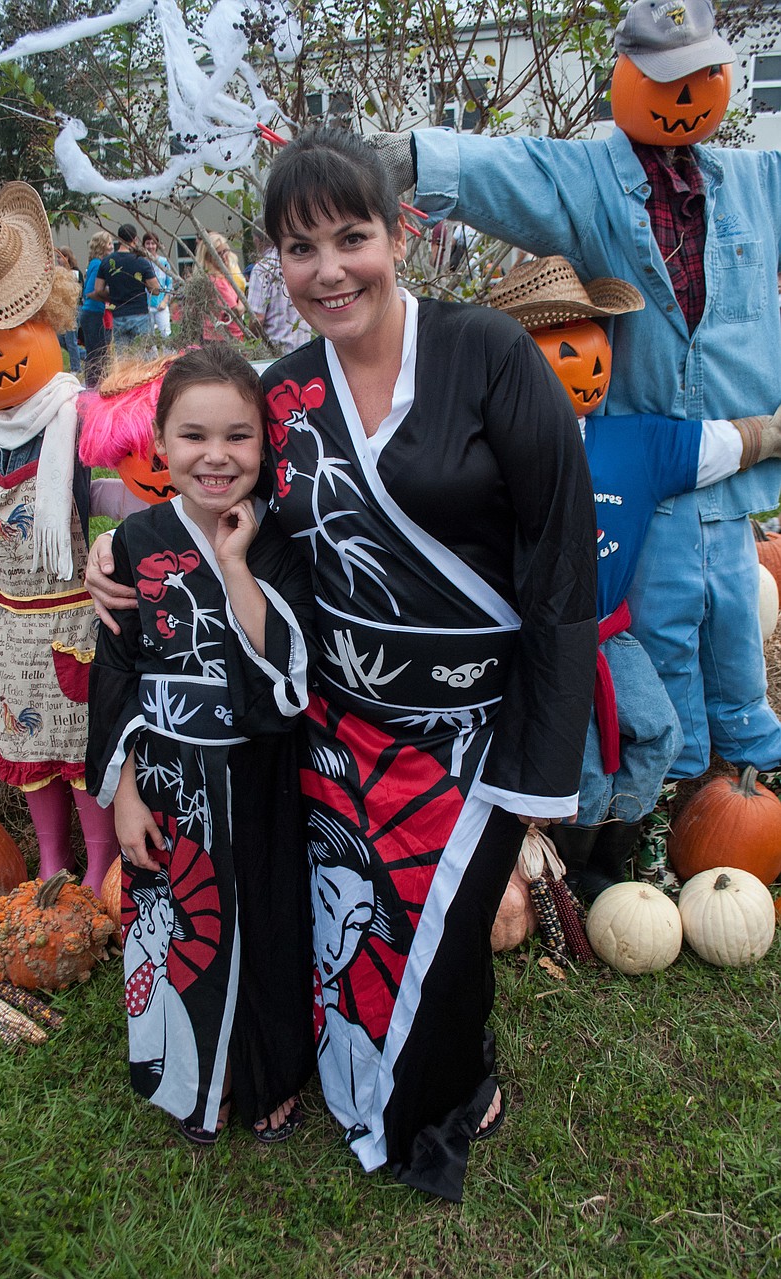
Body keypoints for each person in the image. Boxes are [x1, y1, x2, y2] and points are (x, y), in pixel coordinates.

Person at [86, 128, 598, 1201]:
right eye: (299, 248)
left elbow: (558, 564)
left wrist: (538, 768)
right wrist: (123, 546)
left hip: (470, 730)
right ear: (274, 262)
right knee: (356, 934)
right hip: (337, 722)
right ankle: (364, 1064)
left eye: (350, 237)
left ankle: (453, 1082)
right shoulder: (282, 394)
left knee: (446, 947)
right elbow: (216, 495)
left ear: (398, 233)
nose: (328, 270)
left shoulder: (488, 354)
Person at [371, 0, 781, 782]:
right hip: (648, 472)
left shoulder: (760, 183)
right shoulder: (587, 180)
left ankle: (755, 762)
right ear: (627, 76)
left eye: (702, 76)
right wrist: (416, 156)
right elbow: (512, 168)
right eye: (668, 78)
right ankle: (682, 783)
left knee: (734, 624)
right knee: (661, 632)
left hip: (733, 457)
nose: (688, 93)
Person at [491, 256, 781, 897]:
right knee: (582, 756)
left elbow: (722, 443)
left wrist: (773, 432)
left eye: (598, 345)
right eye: (565, 348)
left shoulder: (636, 443)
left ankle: (615, 849)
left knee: (658, 728)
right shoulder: (496, 446)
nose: (589, 365)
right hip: (535, 641)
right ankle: (574, 870)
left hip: (607, 632)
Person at [85, 343, 316, 1144]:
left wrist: (233, 561)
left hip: (257, 774)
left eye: (238, 436)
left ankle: (269, 1072)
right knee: (182, 927)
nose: (216, 456)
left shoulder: (277, 538)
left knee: (267, 921)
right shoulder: (134, 543)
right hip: (169, 780)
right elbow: (114, 673)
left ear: (264, 442)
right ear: (158, 441)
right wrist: (122, 797)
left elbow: (291, 672)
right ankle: (194, 1074)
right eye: (193, 436)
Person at [0, 182, 119, 892]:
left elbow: (134, 473)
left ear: (47, 323)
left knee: (78, 750)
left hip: (73, 615)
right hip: (10, 624)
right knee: (27, 745)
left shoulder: (77, 417)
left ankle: (99, 859)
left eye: (6, 338)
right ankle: (51, 858)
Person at [246, 229, 312, 354]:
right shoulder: (298, 260)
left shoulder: (261, 269)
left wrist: (251, 340)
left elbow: (257, 318)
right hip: (304, 347)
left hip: (276, 351)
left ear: (257, 240)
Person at [94, 223, 159, 349]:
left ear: (118, 239)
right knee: (146, 355)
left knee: (123, 359)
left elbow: (98, 289)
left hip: (119, 315)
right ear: (135, 239)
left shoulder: (107, 262)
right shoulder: (141, 262)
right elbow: (155, 289)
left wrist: (112, 296)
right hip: (140, 314)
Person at [193, 232, 245, 342]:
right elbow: (237, 310)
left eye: (225, 251)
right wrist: (242, 301)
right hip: (223, 338)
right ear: (208, 257)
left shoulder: (223, 277)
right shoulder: (216, 281)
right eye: (219, 254)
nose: (224, 257)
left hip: (224, 336)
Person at [80, 230, 114, 387]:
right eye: (109, 243)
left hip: (94, 312)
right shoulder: (97, 264)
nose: (112, 246)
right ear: (101, 246)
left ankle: (96, 383)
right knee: (96, 353)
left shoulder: (96, 263)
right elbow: (90, 292)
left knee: (98, 351)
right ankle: (94, 386)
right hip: (92, 314)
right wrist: (109, 298)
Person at [55, 246, 83, 374]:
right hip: (62, 310)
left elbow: (77, 291)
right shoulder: (58, 273)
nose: (58, 260)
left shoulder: (75, 272)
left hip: (73, 309)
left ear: (67, 257)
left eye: (60, 257)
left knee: (71, 340)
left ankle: (76, 367)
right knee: (61, 339)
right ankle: (85, 355)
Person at [141, 231, 173, 340]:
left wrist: (165, 301)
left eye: (153, 243)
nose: (150, 246)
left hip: (161, 305)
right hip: (145, 306)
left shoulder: (163, 262)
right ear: (143, 245)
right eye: (148, 243)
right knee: (148, 338)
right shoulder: (141, 262)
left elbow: (170, 283)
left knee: (166, 335)